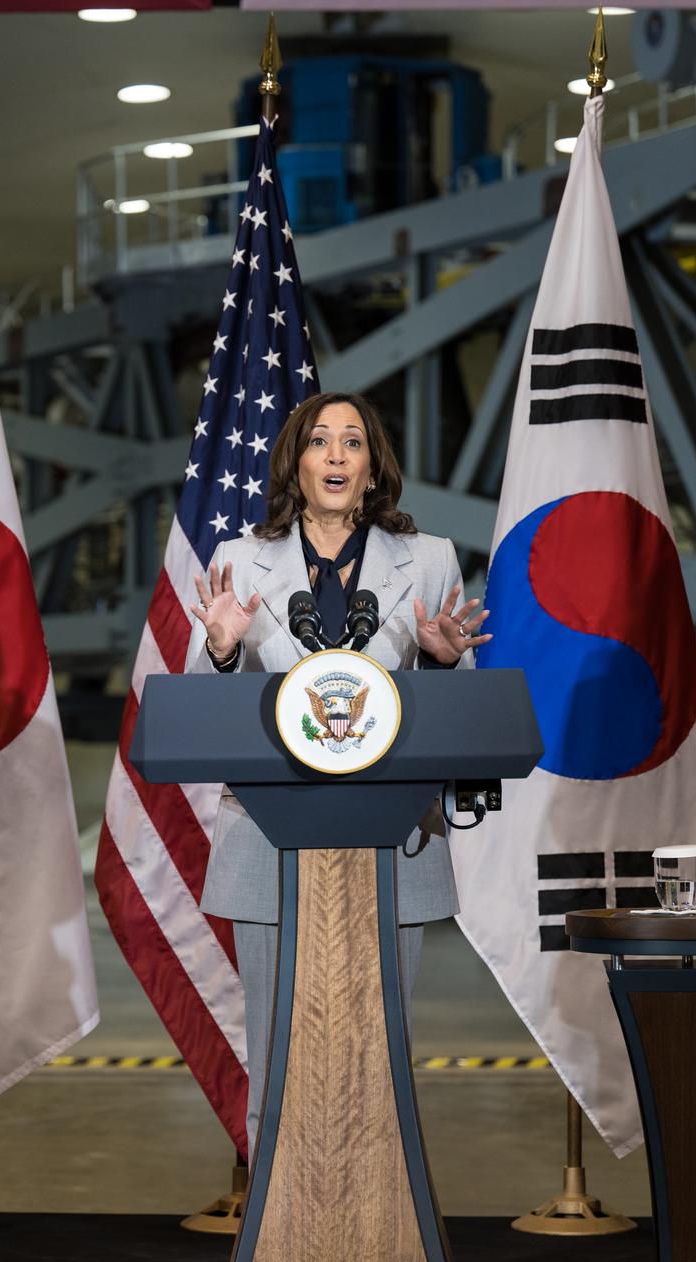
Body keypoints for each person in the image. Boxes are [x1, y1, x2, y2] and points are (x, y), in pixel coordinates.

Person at [187, 390, 490, 1154]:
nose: (335, 454)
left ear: (371, 467)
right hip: (267, 835)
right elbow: (200, 710)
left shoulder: (429, 561)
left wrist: (444, 664)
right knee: (277, 1059)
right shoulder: (237, 560)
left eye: (352, 442)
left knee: (378, 1061)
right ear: (295, 462)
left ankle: (381, 1218)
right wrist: (221, 649)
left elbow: (458, 717)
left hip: (391, 839)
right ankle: (274, 1221)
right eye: (319, 440)